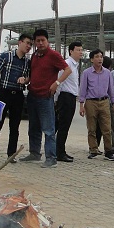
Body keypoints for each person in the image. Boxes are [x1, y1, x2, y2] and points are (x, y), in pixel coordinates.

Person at [20, 29, 71, 168]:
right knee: (33, 127)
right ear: (35, 42)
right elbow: (33, 74)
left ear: (48, 41)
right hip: (32, 96)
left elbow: (68, 70)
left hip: (45, 97)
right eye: (38, 41)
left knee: (48, 129)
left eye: (43, 40)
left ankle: (51, 158)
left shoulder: (54, 55)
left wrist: (57, 83)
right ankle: (34, 153)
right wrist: (25, 80)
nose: (40, 43)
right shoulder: (34, 55)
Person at [0, 33, 32, 162]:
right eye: (27, 43)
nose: (28, 46)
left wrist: (25, 80)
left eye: (30, 44)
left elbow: (29, 78)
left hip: (18, 95)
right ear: (20, 42)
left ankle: (11, 154)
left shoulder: (27, 62)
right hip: (3, 94)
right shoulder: (6, 56)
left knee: (14, 126)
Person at [79, 49, 114, 160]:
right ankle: (93, 149)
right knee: (91, 128)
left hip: (104, 102)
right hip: (91, 102)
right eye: (97, 57)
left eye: (101, 56)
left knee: (107, 128)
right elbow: (83, 89)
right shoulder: (86, 73)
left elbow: (111, 89)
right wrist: (81, 105)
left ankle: (108, 151)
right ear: (92, 59)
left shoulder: (107, 73)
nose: (100, 59)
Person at [54, 41, 83, 162]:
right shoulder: (67, 64)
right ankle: (59, 153)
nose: (81, 52)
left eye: (81, 50)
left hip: (71, 98)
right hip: (65, 97)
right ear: (71, 51)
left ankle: (60, 150)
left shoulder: (75, 65)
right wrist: (56, 99)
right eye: (78, 50)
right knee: (63, 126)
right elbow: (59, 81)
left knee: (65, 126)